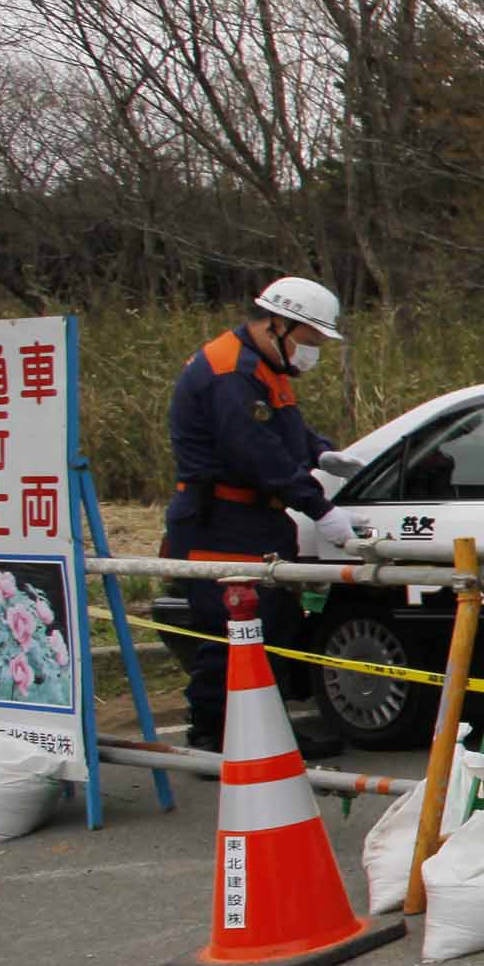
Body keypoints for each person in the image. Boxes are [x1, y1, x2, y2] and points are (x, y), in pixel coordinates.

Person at [163, 276, 359, 757]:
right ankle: (213, 733)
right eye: (309, 341)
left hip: (256, 520)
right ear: (278, 324)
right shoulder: (231, 372)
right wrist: (320, 507)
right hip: (220, 521)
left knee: (271, 625)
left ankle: (264, 735)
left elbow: (283, 428)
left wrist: (321, 452)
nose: (311, 353)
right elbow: (256, 453)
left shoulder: (264, 369)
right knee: (230, 632)